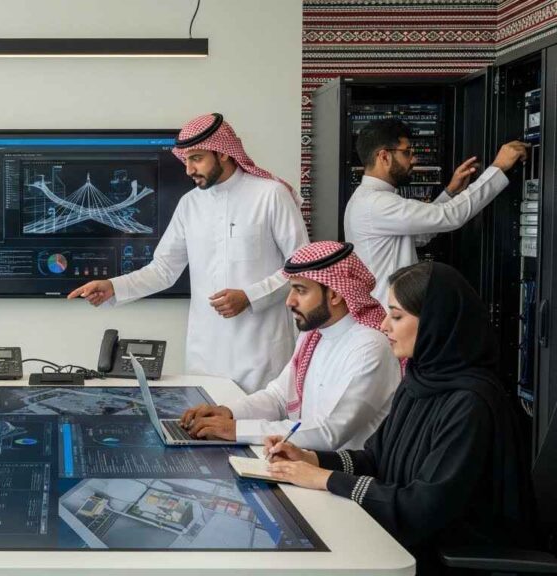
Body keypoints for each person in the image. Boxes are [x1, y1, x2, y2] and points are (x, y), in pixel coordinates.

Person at [265, 261, 533, 573]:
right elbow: (376, 458)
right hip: (398, 543)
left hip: (444, 557)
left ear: (436, 322)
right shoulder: (418, 381)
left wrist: (326, 480)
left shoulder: (470, 404)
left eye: (397, 316)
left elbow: (423, 508)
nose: (384, 326)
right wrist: (312, 459)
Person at [67, 113, 309, 392]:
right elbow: (163, 269)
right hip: (205, 353)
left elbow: (302, 267)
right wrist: (113, 286)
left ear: (223, 154)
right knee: (202, 429)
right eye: (186, 160)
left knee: (257, 431)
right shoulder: (189, 204)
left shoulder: (271, 195)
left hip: (260, 350)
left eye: (196, 159)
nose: (188, 170)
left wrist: (249, 297)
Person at [179, 241, 399, 449]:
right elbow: (278, 397)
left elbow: (328, 432)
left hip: (344, 477)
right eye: (292, 289)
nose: (290, 301)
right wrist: (227, 413)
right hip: (305, 464)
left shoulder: (370, 346)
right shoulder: (314, 334)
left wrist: (236, 430)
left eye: (301, 290)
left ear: (334, 294)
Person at [344, 117, 527, 307]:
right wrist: (498, 167)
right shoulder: (377, 203)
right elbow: (450, 216)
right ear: (384, 156)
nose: (413, 159)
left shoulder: (367, 199)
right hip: (389, 315)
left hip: (389, 314)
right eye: (407, 153)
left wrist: (450, 193)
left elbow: (421, 235)